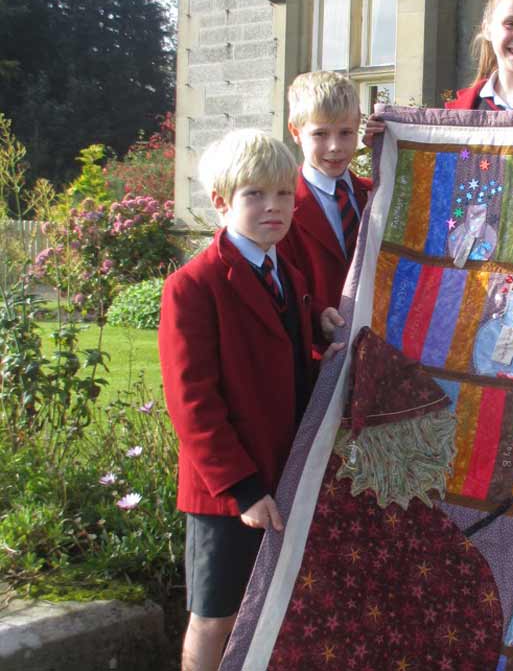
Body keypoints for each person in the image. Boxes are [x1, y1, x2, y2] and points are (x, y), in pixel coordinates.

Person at [159, 129, 344, 671]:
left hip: (282, 474)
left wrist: (318, 331)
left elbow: (278, 354)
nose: (274, 207)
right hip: (227, 492)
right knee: (215, 617)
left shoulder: (285, 271)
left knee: (269, 609)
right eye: (255, 195)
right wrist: (242, 489)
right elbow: (193, 404)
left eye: (284, 194)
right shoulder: (192, 285)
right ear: (221, 202)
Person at [280, 71, 375, 316]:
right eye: (320, 134)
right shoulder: (282, 206)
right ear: (295, 132)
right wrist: (317, 317)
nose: (335, 146)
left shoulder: (373, 194)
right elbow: (280, 288)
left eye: (346, 133)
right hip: (315, 348)